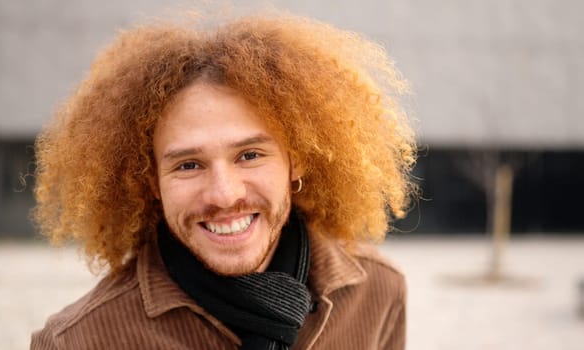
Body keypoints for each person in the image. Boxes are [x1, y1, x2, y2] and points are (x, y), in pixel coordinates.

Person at [30, 12, 416, 350]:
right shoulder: (75, 342)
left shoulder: (378, 292)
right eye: (188, 165)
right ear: (150, 182)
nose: (224, 194)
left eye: (249, 156)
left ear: (295, 161)